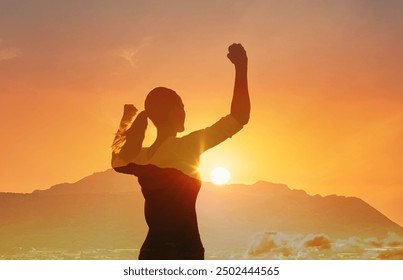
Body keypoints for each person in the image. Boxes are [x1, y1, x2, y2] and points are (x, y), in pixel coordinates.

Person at [111, 43, 250, 260]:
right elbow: (239, 117)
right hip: (185, 250)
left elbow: (116, 159)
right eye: (183, 107)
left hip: (151, 251)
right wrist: (241, 68)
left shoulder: (139, 158)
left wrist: (127, 119)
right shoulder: (187, 147)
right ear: (176, 112)